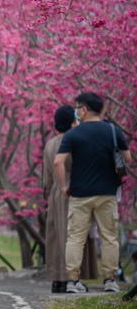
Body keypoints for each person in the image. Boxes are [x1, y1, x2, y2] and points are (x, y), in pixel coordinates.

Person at [55, 92, 132, 294]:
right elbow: (128, 158)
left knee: (75, 238)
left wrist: (64, 186)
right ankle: (110, 280)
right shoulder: (113, 132)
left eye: (77, 107)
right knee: (109, 237)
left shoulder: (73, 134)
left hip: (80, 194)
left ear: (84, 110)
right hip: (106, 193)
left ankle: (72, 281)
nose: (76, 112)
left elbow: (58, 162)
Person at [42, 104, 77, 293]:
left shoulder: (49, 143)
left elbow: (46, 177)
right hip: (69, 189)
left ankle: (56, 278)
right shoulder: (73, 141)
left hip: (54, 190)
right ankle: (68, 277)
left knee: (55, 235)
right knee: (70, 234)